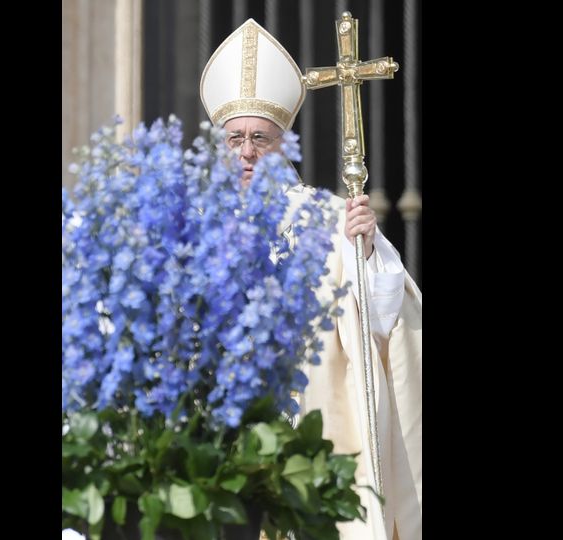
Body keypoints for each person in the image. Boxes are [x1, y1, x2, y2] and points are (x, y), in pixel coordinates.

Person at [200, 19, 423, 540]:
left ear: (284, 145)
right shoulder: (195, 225)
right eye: (236, 139)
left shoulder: (328, 219)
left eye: (261, 138)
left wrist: (366, 253)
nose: (247, 152)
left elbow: (386, 319)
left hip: (310, 433)